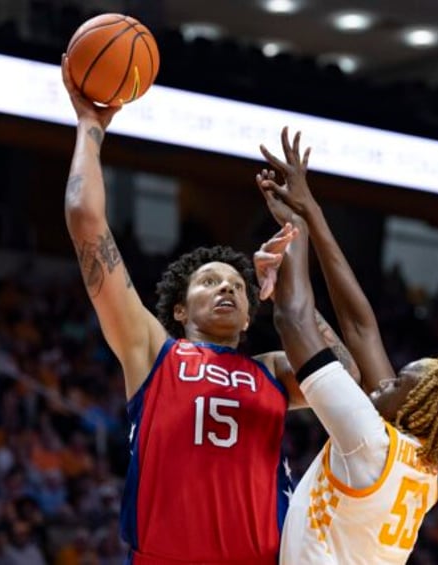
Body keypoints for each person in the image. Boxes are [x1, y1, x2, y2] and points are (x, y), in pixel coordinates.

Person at [60, 58, 356, 564]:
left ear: (247, 315)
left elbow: (347, 378)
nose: (227, 288)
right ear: (179, 309)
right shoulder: (153, 351)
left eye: (239, 286)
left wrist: (284, 282)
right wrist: (91, 125)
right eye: (210, 281)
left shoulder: (272, 372)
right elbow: (85, 219)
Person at [254, 127, 438, 564]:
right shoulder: (420, 467)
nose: (383, 383)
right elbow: (361, 330)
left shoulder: (370, 444)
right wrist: (312, 211)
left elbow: (292, 320)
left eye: (396, 383)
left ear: (415, 411)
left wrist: (294, 229)